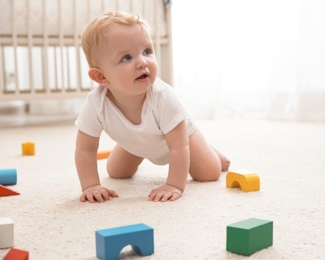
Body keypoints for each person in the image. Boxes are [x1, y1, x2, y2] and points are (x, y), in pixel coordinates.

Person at [75, 11, 230, 203]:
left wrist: (174, 184)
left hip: (180, 139)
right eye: (126, 58)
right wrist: (91, 186)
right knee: (116, 171)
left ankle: (208, 148)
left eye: (147, 51)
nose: (142, 62)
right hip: (138, 142)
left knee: (209, 173)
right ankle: (138, 141)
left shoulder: (163, 97)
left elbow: (179, 146)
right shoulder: (96, 103)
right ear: (101, 77)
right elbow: (85, 150)